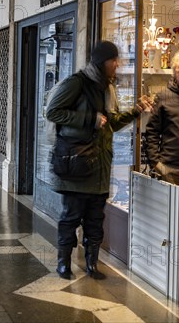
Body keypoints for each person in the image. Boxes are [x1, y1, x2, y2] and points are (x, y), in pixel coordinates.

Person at [46, 41, 152, 280]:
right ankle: (63, 263)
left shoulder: (108, 87)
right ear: (102, 61)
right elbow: (52, 111)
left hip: (100, 168)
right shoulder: (77, 83)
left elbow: (110, 124)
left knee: (96, 219)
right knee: (70, 217)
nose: (117, 64)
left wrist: (136, 110)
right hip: (76, 166)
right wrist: (89, 119)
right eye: (113, 60)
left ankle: (91, 263)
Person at [145, 51, 179, 185]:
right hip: (169, 167)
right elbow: (152, 132)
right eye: (178, 71)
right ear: (173, 72)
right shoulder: (163, 97)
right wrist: (156, 163)